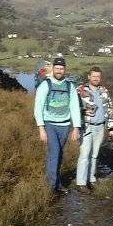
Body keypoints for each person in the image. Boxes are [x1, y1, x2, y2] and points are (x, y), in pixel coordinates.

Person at [34, 57, 81, 194]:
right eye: (57, 68)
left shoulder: (69, 86)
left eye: (62, 69)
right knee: (54, 153)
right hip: (50, 125)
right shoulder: (45, 85)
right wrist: (41, 128)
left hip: (65, 125)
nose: (59, 71)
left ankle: (56, 183)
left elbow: (74, 107)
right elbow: (38, 107)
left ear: (64, 70)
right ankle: (52, 188)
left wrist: (76, 128)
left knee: (58, 154)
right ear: (53, 69)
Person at [76, 66, 113, 194]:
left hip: (100, 126)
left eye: (98, 76)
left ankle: (91, 179)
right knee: (84, 154)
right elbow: (73, 108)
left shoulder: (104, 91)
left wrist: (111, 128)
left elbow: (109, 109)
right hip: (87, 126)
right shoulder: (80, 90)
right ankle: (81, 183)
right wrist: (83, 111)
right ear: (89, 76)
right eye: (94, 76)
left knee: (94, 155)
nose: (96, 78)